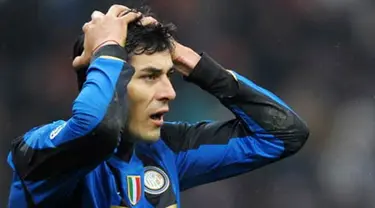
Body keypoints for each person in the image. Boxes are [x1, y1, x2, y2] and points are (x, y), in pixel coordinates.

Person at [7, 4, 309, 208]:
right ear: (105, 80)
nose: (169, 92)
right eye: (150, 76)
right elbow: (98, 130)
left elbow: (284, 134)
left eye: (170, 75)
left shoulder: (165, 151)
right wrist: (108, 48)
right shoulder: (39, 154)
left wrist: (195, 63)